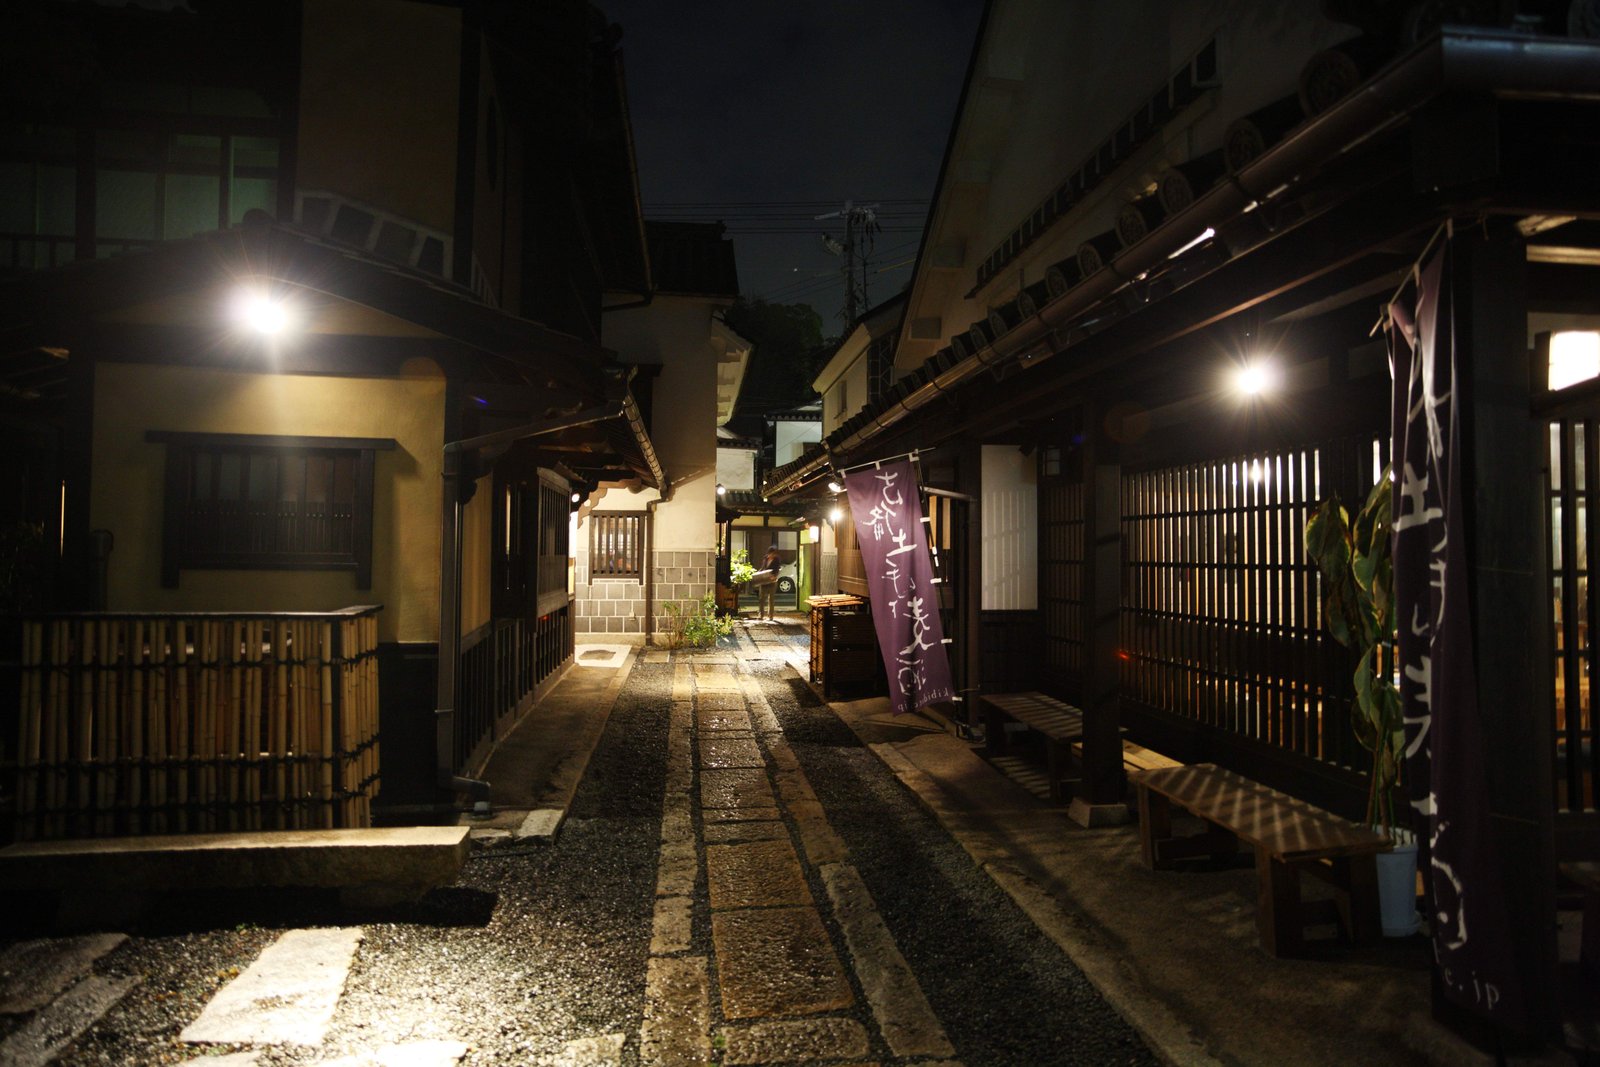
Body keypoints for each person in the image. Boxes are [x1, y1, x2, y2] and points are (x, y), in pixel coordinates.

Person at [757, 544, 781, 620]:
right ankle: (761, 614)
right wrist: (758, 573)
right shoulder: (765, 558)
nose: (772, 555)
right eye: (771, 554)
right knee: (761, 598)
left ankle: (770, 615)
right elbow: (763, 567)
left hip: (772, 581)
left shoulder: (777, 560)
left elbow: (777, 570)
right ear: (768, 553)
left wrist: (775, 576)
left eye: (774, 554)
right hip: (764, 581)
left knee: (771, 599)